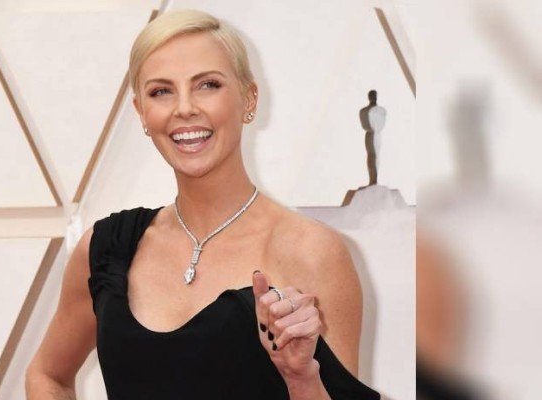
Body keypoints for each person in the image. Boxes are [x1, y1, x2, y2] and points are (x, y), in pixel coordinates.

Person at [26, 9, 379, 399]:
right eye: (161, 91)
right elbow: (47, 375)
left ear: (249, 98)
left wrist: (302, 377)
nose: (184, 108)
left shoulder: (311, 251)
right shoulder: (107, 248)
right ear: (142, 112)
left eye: (207, 85)